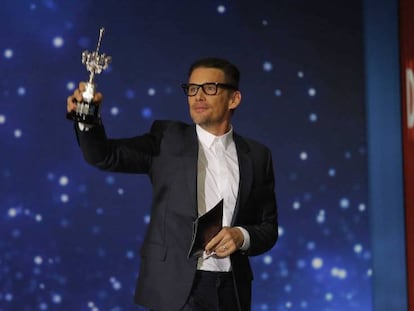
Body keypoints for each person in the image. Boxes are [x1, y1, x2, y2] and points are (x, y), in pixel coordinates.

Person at [67, 57, 278, 311]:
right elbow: (103, 156)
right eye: (192, 89)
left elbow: (268, 228)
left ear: (234, 99)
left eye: (209, 88)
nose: (198, 96)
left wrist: (241, 236)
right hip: (175, 291)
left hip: (231, 290)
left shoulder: (257, 155)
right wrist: (86, 118)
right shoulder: (166, 138)